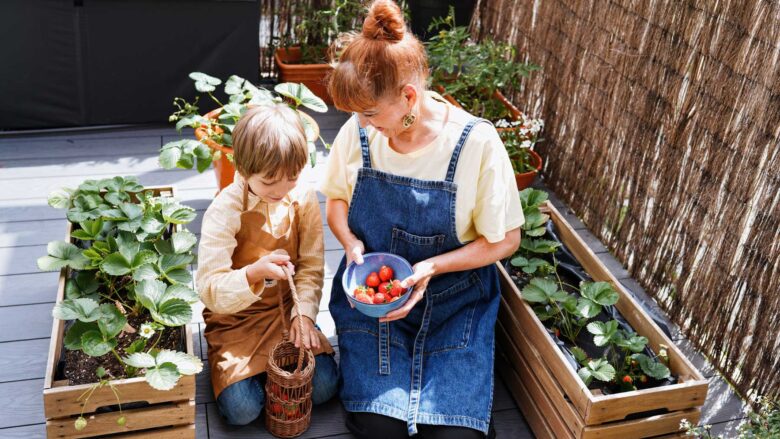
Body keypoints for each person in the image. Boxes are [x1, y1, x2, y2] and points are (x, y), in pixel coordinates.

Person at [320, 1, 524, 437]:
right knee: (380, 426)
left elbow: (506, 239)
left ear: (409, 97)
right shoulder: (359, 131)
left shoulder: (475, 143)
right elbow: (335, 200)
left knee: (454, 433)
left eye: (371, 114)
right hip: (375, 309)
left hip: (455, 301)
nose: (362, 125)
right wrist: (350, 243)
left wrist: (432, 266)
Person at [197, 103, 339, 426]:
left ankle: (267, 376)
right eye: (269, 181)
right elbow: (209, 289)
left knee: (326, 386)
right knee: (241, 410)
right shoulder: (224, 210)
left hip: (286, 311)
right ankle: (260, 378)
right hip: (236, 320)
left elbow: (312, 266)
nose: (281, 189)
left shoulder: (302, 197)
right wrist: (253, 273)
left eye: (291, 177)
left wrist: (304, 316)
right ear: (243, 169)